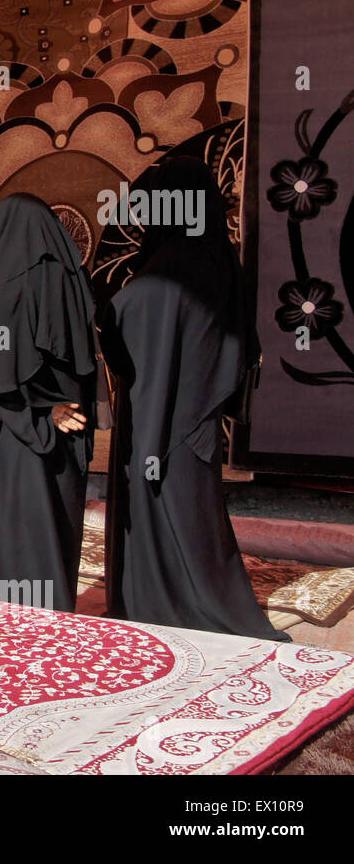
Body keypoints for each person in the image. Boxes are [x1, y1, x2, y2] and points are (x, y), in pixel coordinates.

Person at [100, 156, 287, 642]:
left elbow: (139, 312)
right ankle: (183, 598)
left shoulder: (181, 262)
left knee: (172, 514)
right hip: (187, 415)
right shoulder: (212, 252)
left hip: (165, 418)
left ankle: (176, 606)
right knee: (191, 516)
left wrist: (107, 310)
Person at [0, 194, 97, 612]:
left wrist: (39, 410)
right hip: (66, 429)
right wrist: (56, 407)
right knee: (55, 521)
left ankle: (16, 618)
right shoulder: (72, 281)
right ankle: (54, 610)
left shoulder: (3, 288)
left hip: (11, 433)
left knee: (16, 524)